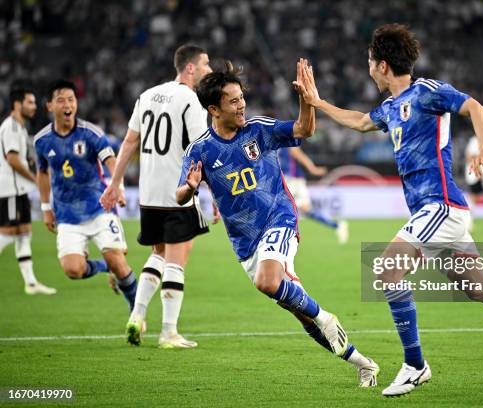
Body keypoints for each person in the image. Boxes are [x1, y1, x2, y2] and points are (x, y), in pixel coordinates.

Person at [298, 24, 483, 396]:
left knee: (387, 268)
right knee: (481, 289)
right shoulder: (391, 108)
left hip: (440, 208)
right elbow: (361, 121)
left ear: (381, 65)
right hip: (436, 215)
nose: (367, 69)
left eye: (368, 63)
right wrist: (317, 103)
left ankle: (415, 365)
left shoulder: (427, 92)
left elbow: (477, 108)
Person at [176, 59, 379, 387]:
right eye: (233, 101)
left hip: (278, 220)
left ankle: (324, 316)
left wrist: (305, 99)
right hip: (245, 244)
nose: (242, 104)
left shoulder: (258, 130)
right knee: (299, 311)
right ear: (213, 109)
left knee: (268, 283)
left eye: (242, 97)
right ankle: (363, 363)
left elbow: (304, 130)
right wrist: (191, 186)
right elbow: (179, 195)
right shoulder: (199, 149)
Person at [100, 44, 215, 349]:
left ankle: (137, 316)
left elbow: (128, 142)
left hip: (148, 193)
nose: (209, 70)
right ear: (189, 68)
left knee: (158, 254)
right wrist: (216, 194)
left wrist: (114, 183)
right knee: (178, 258)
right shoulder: (190, 99)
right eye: (205, 64)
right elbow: (202, 150)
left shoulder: (147, 94)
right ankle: (168, 331)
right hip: (177, 192)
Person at [33, 79, 137, 311]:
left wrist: (117, 186)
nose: (67, 104)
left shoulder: (90, 133)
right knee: (73, 270)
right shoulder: (41, 141)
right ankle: (103, 268)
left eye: (71, 99)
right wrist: (45, 209)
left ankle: (135, 312)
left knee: (119, 262)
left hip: (99, 206)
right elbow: (42, 173)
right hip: (67, 214)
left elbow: (110, 159)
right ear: (50, 106)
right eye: (61, 100)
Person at [0, 84, 56, 295]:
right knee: (9, 232)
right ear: (17, 104)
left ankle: (31, 283)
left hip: (19, 189)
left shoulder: (20, 127)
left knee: (24, 232)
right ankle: (30, 282)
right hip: (10, 189)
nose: (34, 106)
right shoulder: (12, 127)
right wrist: (34, 178)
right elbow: (12, 158)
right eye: (30, 102)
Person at [278, 146, 348, 243]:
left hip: (292, 181)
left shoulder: (283, 139)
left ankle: (281, 239)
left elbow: (297, 153)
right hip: (291, 180)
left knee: (280, 209)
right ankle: (337, 226)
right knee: (305, 209)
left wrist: (313, 169)